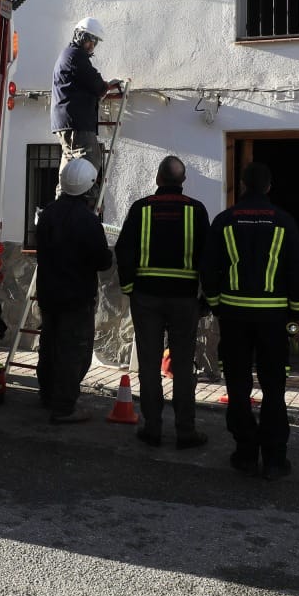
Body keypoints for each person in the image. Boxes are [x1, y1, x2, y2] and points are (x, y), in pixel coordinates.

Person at [203, 162, 299, 481]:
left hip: (234, 316)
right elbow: (296, 272)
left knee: (237, 386)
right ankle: (274, 460)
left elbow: (208, 268)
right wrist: (297, 316)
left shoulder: (224, 220)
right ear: (269, 187)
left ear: (242, 185)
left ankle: (245, 454)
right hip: (274, 319)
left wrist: (217, 305)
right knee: (274, 388)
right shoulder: (285, 221)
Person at [115, 155, 211, 450]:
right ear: (183, 181)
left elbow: (123, 250)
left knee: (148, 363)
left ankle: (152, 429)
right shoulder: (196, 210)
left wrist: (129, 288)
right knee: (183, 365)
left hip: (146, 297)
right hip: (184, 299)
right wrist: (206, 297)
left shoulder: (141, 208)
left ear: (158, 178)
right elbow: (208, 257)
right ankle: (186, 431)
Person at [32, 157, 112, 425]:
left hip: (48, 293)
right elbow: (102, 260)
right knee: (73, 351)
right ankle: (65, 407)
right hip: (76, 297)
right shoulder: (87, 221)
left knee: (49, 346)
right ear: (89, 187)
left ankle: (47, 396)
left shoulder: (47, 214)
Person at [51, 17, 112, 204]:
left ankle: (61, 207)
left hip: (66, 123)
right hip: (77, 123)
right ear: (79, 36)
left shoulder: (68, 55)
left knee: (69, 167)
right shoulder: (76, 56)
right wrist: (105, 86)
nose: (92, 46)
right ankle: (84, 207)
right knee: (88, 164)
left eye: (95, 42)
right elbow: (96, 83)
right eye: (89, 40)